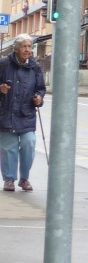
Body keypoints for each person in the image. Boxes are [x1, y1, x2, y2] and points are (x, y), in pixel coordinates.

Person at [1, 35, 47, 193]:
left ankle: (24, 178)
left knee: (29, 143)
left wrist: (39, 98)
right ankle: (9, 179)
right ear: (15, 48)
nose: (28, 49)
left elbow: (40, 88)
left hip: (26, 113)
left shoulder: (35, 66)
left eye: (29, 46)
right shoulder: (4, 64)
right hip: (6, 113)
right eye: (24, 46)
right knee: (9, 148)